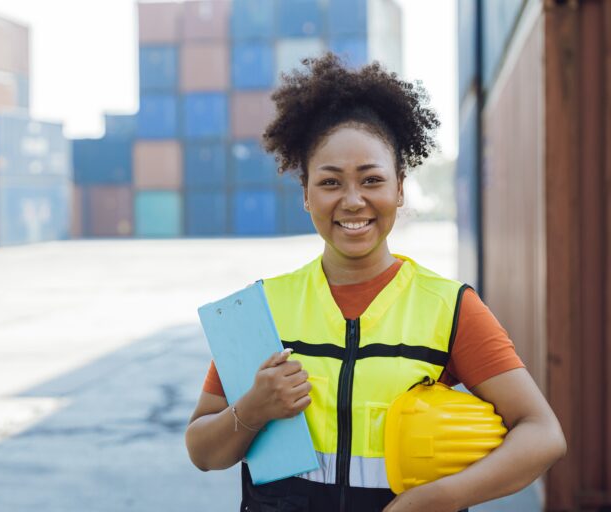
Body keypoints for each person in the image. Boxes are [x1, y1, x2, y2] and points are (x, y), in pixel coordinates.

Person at [185, 53, 566, 512]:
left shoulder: (449, 306)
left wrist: (438, 498)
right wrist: (254, 409)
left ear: (400, 189)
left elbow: (543, 434)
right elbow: (203, 453)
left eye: (372, 180)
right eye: (330, 183)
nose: (352, 201)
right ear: (305, 193)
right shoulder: (258, 309)